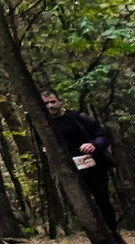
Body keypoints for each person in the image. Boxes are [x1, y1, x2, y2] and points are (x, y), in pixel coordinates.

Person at [41, 90, 120, 235]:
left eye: (53, 101)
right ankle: (97, 236)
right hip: (69, 171)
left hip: (93, 166)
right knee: (81, 205)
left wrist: (93, 145)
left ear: (60, 102)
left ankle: (114, 234)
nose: (50, 106)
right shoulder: (44, 126)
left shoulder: (77, 117)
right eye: (46, 103)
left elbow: (102, 136)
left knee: (103, 201)